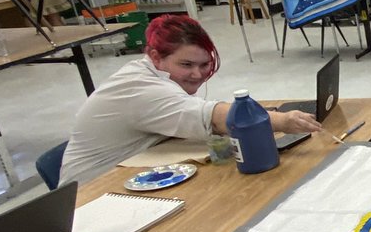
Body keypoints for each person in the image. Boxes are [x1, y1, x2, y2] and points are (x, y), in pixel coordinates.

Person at [60, 15, 320, 185]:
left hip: (133, 173)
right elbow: (212, 117)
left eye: (204, 64)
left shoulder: (153, 75)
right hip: (95, 192)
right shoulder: (140, 89)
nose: (198, 74)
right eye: (186, 64)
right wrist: (283, 120)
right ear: (154, 55)